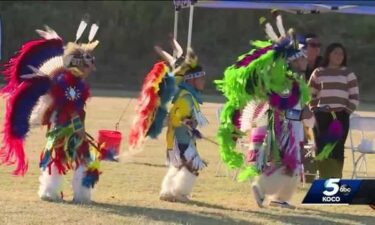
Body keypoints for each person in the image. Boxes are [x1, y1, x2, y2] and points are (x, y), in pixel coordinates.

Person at [0, 19, 104, 203]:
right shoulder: (68, 83)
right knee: (72, 158)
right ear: (79, 66)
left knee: (67, 158)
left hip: (64, 127)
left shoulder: (75, 83)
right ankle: (67, 193)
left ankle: (60, 192)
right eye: (88, 66)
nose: (90, 70)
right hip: (65, 128)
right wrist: (79, 130)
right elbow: (72, 109)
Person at [215, 12, 311, 209]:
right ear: (292, 61)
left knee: (291, 165)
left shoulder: (292, 81)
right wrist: (297, 118)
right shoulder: (285, 83)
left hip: (289, 128)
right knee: (282, 164)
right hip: (279, 129)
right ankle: (261, 188)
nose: (306, 60)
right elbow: (280, 108)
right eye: (302, 57)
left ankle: (280, 198)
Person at [159, 48, 208, 202]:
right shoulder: (186, 96)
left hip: (183, 136)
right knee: (191, 164)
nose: (203, 82)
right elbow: (175, 117)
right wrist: (186, 122)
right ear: (192, 80)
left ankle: (168, 192)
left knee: (180, 164)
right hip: (180, 137)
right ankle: (179, 192)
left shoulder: (189, 95)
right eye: (201, 79)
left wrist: (191, 124)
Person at [308, 43, 359, 179]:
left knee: (336, 150)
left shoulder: (348, 74)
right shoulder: (318, 72)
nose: (338, 56)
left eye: (341, 54)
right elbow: (309, 94)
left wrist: (346, 112)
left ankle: (335, 182)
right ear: (328, 54)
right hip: (321, 116)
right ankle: (323, 179)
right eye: (335, 53)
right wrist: (315, 109)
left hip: (340, 116)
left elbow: (354, 97)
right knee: (322, 149)